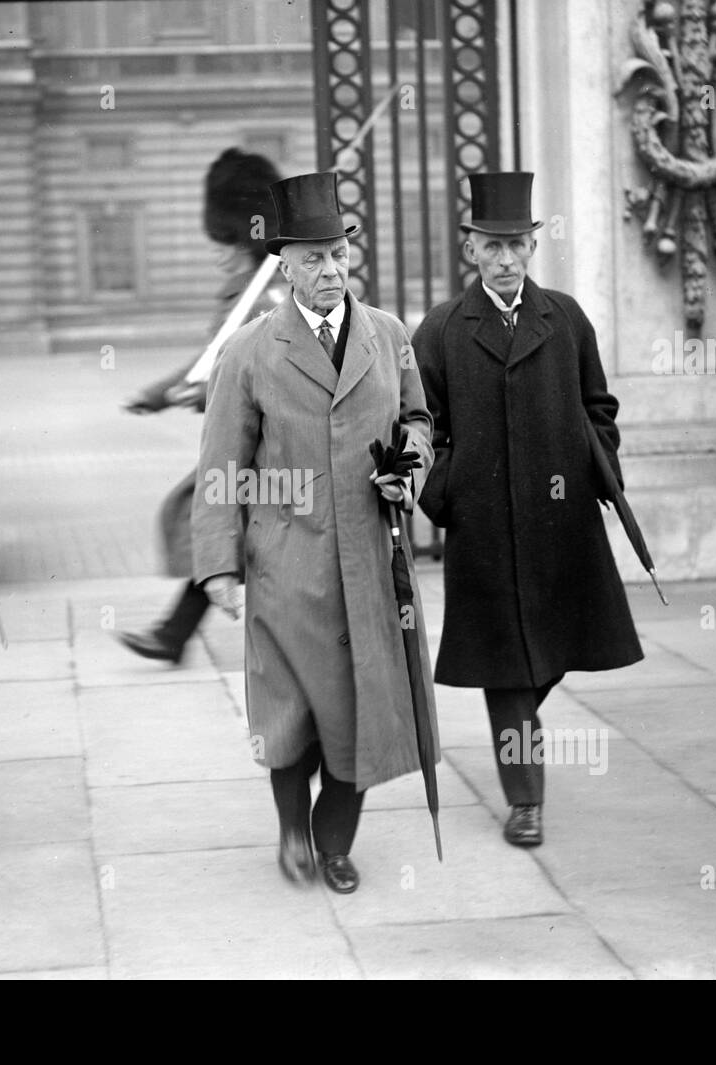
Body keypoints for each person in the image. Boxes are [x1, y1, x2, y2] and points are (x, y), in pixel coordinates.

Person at [192, 172, 435, 894]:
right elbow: (220, 469)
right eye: (313, 260)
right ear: (285, 267)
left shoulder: (389, 336)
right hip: (286, 567)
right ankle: (294, 832)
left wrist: (410, 468)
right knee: (292, 717)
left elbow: (419, 421)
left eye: (338, 255)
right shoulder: (250, 353)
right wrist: (219, 569)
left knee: (364, 712)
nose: (330, 272)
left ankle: (334, 842)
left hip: (370, 564)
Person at [412, 171, 643, 848]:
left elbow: (599, 407)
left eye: (516, 244)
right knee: (508, 670)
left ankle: (520, 735)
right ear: (472, 249)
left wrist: (594, 461)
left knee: (550, 652)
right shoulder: (444, 328)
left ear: (534, 245)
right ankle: (526, 803)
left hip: (561, 524)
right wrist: (445, 490)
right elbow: (419, 424)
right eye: (492, 245)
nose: (505, 258)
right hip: (484, 531)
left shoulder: (565, 318)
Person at [118, 148, 285, 664]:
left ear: (247, 242)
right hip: (244, 445)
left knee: (221, 524)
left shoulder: (269, 295)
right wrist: (162, 393)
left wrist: (200, 389)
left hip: (270, 445)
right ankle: (175, 633)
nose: (219, 254)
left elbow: (255, 370)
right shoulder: (243, 292)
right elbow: (209, 362)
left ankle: (175, 633)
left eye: (227, 244)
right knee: (223, 527)